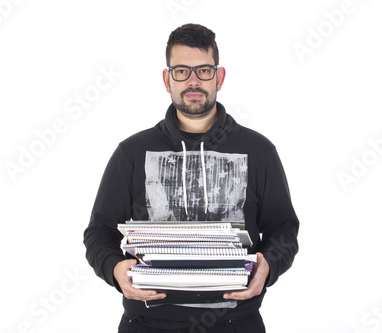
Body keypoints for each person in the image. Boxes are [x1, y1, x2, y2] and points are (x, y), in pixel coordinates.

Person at [84, 23, 299, 333]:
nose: (194, 81)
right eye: (182, 71)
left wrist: (271, 265)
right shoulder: (131, 152)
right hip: (147, 323)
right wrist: (115, 268)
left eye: (204, 71)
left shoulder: (259, 150)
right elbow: (99, 232)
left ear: (219, 77)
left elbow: (283, 227)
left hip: (236, 323)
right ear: (167, 79)